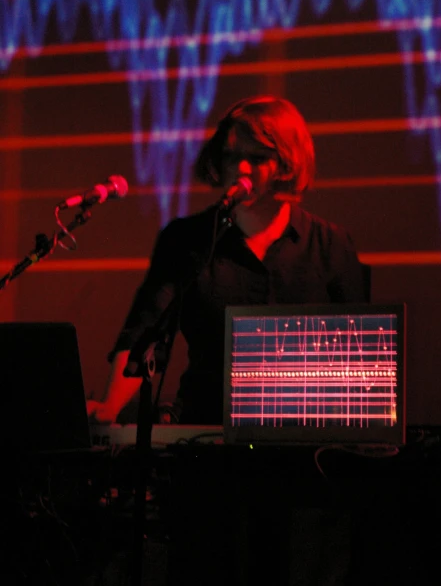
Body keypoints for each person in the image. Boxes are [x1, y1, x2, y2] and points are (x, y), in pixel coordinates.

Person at [87, 94, 368, 427]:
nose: (241, 169)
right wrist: (110, 406)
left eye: (257, 157)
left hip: (304, 435)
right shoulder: (186, 241)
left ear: (287, 163)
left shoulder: (330, 245)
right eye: (231, 157)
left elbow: (359, 356)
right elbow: (143, 336)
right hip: (205, 433)